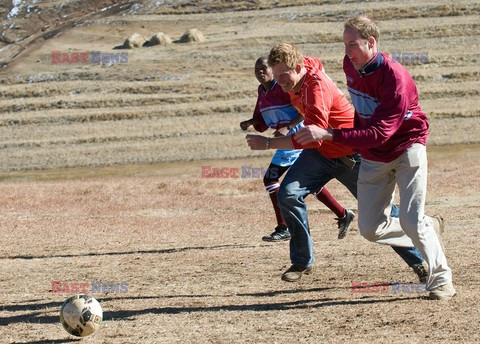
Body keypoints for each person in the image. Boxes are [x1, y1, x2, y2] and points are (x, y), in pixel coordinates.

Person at [293, 16, 455, 300]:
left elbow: (380, 132)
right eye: (344, 44)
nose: (348, 51)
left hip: (407, 148)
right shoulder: (350, 65)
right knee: (370, 228)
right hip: (373, 156)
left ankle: (442, 280)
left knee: (411, 219)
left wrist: (330, 135)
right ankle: (428, 228)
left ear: (371, 43)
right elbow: (360, 109)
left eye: (353, 44)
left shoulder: (395, 77)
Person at [245, 43, 428, 285]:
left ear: (298, 67)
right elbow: (304, 125)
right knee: (288, 194)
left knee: (383, 214)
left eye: (283, 76)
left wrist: (268, 144)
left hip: (350, 155)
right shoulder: (293, 78)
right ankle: (302, 260)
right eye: (276, 77)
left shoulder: (316, 86)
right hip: (320, 154)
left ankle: (420, 258)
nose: (280, 82)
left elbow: (312, 136)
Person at [240, 56, 355, 242]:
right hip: (292, 141)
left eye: (264, 68)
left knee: (271, 178)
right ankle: (343, 214)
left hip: (298, 137)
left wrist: (287, 126)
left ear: (275, 71)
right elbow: (262, 118)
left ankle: (284, 226)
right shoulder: (263, 91)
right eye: (256, 68)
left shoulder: (284, 87)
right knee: (308, 182)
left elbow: (304, 110)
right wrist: (251, 122)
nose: (260, 72)